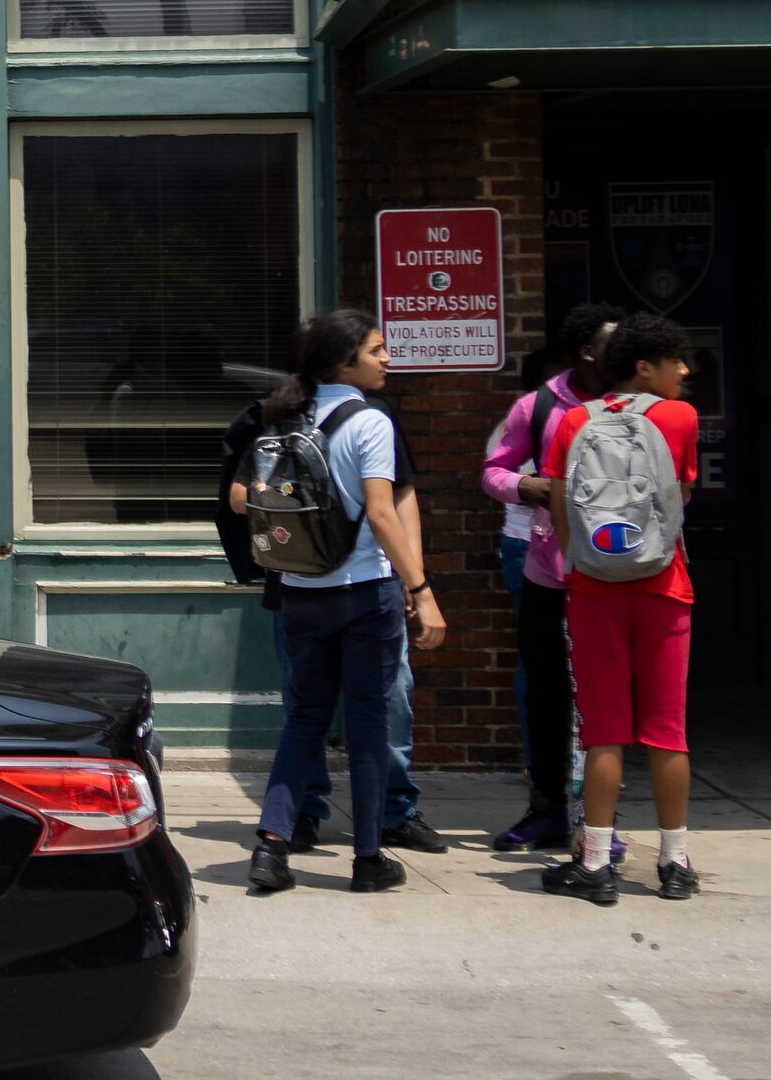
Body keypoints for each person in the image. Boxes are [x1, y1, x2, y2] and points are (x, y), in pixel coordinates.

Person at [247, 310, 446, 898]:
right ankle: (366, 858)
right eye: (376, 350)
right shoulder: (370, 422)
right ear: (344, 362)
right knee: (366, 724)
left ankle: (272, 846)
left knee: (305, 718)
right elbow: (383, 513)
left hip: (302, 590)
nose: (387, 359)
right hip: (365, 593)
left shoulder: (287, 415)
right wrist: (421, 590)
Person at [541, 312, 703, 906]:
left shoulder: (572, 420)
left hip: (591, 590)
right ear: (644, 366)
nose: (684, 371)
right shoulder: (680, 418)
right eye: (674, 361)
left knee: (603, 731)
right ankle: (675, 861)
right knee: (667, 730)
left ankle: (595, 864)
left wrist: (580, 562)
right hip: (665, 587)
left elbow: (560, 504)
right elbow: (679, 494)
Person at [480, 303, 622, 851]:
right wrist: (527, 488)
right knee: (546, 693)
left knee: (600, 700)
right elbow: (493, 471)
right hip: (549, 571)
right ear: (588, 353)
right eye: (616, 345)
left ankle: (598, 824)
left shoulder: (636, 404)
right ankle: (547, 811)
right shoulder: (538, 406)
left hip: (614, 576)